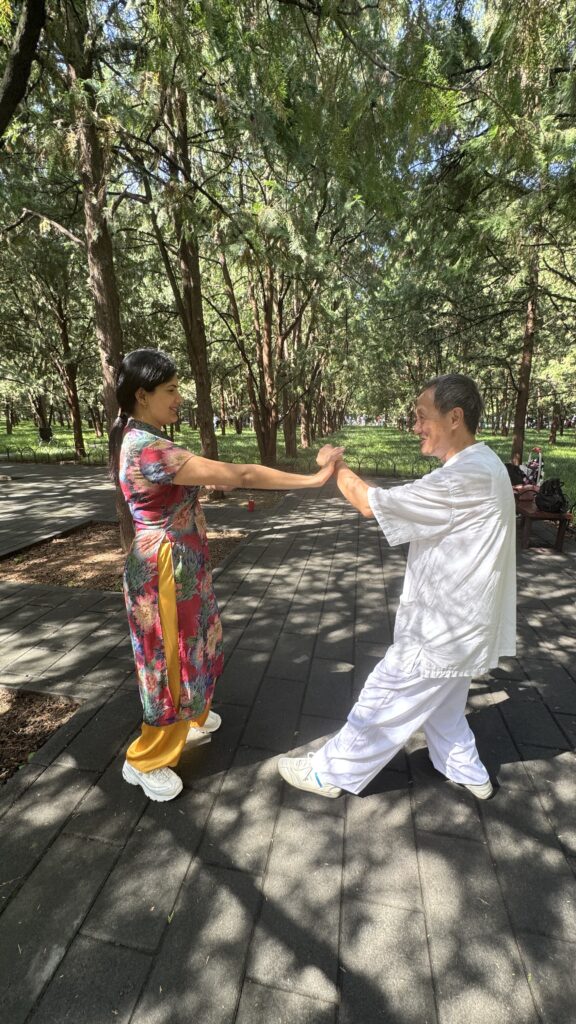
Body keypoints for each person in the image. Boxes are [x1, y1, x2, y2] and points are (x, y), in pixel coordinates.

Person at [109, 349, 342, 802]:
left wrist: (202, 484)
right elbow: (245, 472)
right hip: (164, 573)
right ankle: (145, 760)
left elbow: (182, 485)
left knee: (196, 641)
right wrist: (314, 480)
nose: (179, 398)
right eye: (171, 390)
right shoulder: (149, 447)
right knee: (168, 663)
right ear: (142, 395)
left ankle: (191, 718)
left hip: (182, 566)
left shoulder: (144, 437)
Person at [278, 374, 516, 801]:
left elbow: (372, 504)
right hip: (464, 622)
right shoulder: (482, 465)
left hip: (443, 626)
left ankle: (329, 774)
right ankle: (464, 767)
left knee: (385, 697)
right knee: (445, 697)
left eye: (423, 417)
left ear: (455, 417)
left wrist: (337, 466)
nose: (416, 426)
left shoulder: (464, 477)